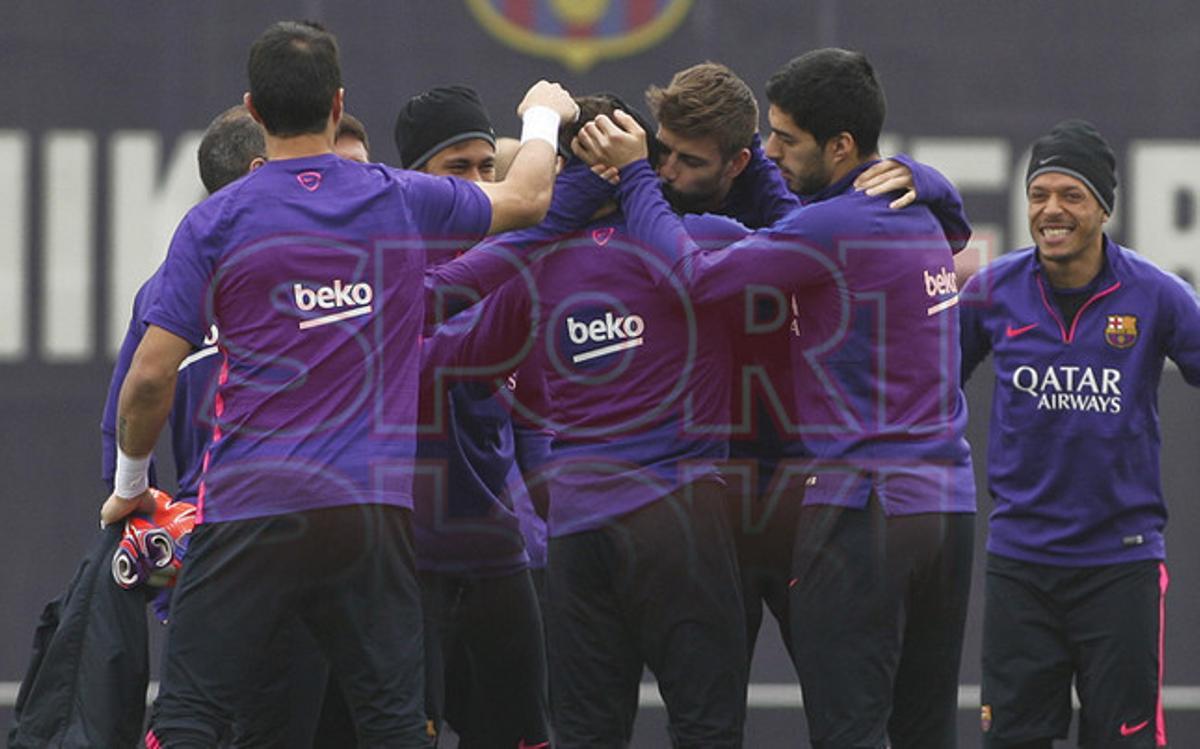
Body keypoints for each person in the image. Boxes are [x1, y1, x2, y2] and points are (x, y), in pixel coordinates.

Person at [99, 20, 578, 747]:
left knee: (189, 717)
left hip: (251, 508)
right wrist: (543, 112)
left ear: (254, 110)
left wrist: (132, 481)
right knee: (390, 723)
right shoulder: (397, 197)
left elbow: (150, 375)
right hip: (368, 514)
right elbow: (529, 198)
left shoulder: (215, 223)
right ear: (338, 103)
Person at [578, 48, 975, 749]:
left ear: (842, 146)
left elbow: (697, 276)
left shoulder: (832, 224)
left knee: (847, 731)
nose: (770, 150)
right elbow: (958, 227)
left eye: (784, 139)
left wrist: (637, 173)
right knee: (923, 729)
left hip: (859, 503)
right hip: (945, 508)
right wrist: (928, 178)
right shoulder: (916, 214)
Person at [425, 93, 754, 747]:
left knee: (585, 731)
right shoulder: (707, 241)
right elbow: (816, 253)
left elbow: (439, 353)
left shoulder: (533, 268)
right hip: (681, 518)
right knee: (707, 725)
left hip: (578, 530)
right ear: (631, 160)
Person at [8, 104, 266, 749]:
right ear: (261, 173)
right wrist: (163, 518)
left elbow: (126, 446)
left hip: (306, 567)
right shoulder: (176, 292)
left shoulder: (173, 288)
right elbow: (131, 425)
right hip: (242, 572)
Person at [960, 120, 1200, 749]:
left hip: (1119, 566)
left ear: (1102, 208)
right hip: (1020, 566)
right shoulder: (992, 293)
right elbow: (928, 390)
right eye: (1039, 195)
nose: (1051, 211)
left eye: (1071, 195)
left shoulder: (1156, 295)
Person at [394, 84, 550, 748]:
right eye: (457, 169)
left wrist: (540, 519)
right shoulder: (388, 270)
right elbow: (443, 361)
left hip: (496, 554)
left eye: (488, 169)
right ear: (415, 181)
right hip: (405, 559)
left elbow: (535, 411)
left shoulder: (511, 269)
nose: (479, 185)